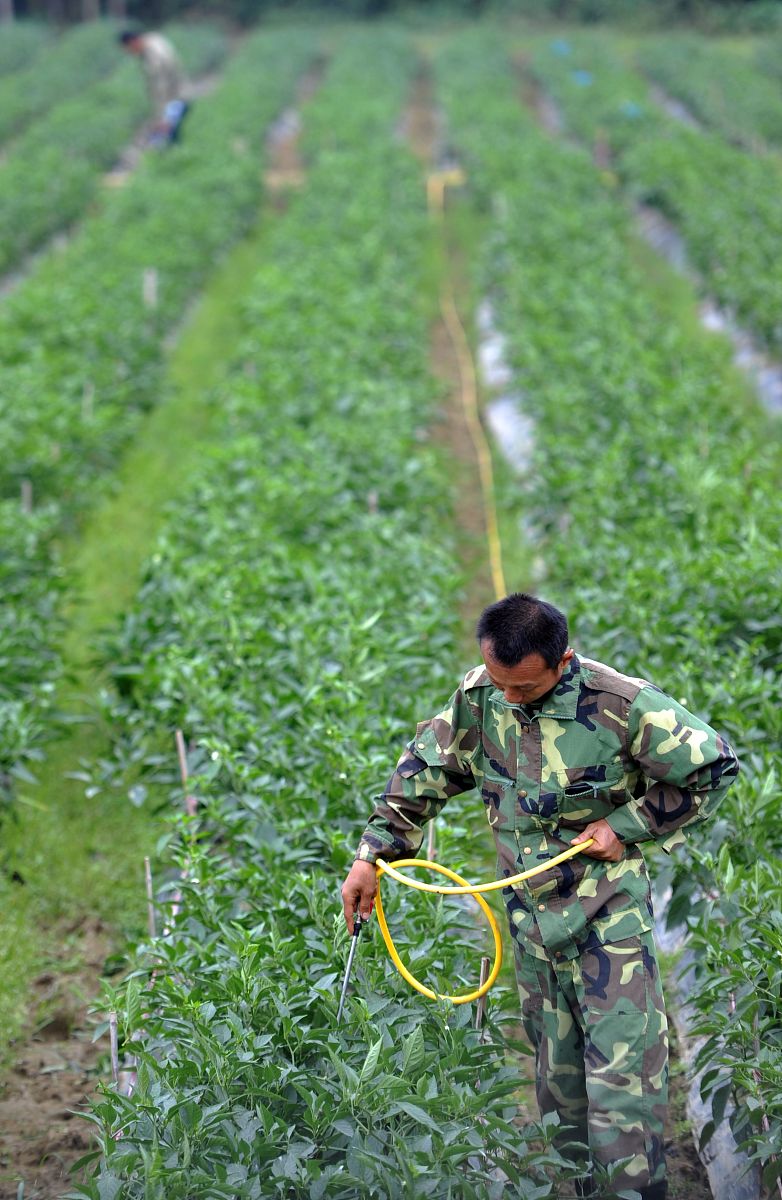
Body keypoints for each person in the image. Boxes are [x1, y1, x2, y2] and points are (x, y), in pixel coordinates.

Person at [341, 592, 739, 1199]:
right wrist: (372, 855)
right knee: (560, 1090)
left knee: (622, 1091)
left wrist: (624, 827)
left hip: (609, 922)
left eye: (522, 689)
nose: (507, 698)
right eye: (499, 682)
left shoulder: (622, 705)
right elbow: (425, 772)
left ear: (563, 661)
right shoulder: (482, 696)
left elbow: (711, 768)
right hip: (532, 929)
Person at [118, 29, 189, 146]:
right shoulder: (154, 40)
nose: (130, 53)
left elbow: (162, 85)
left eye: (128, 49)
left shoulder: (154, 54)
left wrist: (163, 117)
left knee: (166, 139)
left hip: (174, 98)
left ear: (133, 42)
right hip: (177, 96)